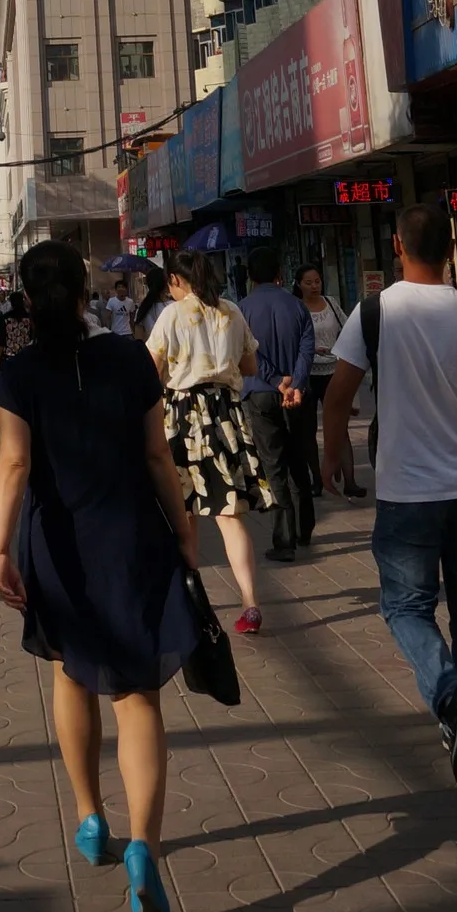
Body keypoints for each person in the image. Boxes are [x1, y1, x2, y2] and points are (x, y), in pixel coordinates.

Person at [0, 241, 200, 912]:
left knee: (69, 675)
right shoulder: (129, 356)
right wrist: (184, 526)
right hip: (131, 534)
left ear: (27, 300)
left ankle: (89, 818)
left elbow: (15, 464)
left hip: (56, 544)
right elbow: (154, 452)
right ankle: (143, 846)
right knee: (137, 697)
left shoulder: (18, 372)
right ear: (87, 296)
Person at [322, 203, 457, 788]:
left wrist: (333, 455)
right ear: (451, 250)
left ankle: (450, 695)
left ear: (397, 246)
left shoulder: (373, 312)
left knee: (405, 607)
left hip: (405, 494)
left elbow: (338, 396)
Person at [145, 251, 273, 637]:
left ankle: (191, 601)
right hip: (226, 416)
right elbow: (250, 366)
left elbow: (151, 369)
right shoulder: (231, 310)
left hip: (184, 415)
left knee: (183, 513)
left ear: (177, 281)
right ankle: (250, 603)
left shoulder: (173, 314)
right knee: (229, 516)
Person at [237, 252, 314, 565]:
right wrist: (294, 383)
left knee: (273, 465)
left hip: (260, 394)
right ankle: (305, 528)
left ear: (251, 277)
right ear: (280, 273)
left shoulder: (241, 310)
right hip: (295, 396)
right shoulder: (296, 305)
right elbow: (307, 348)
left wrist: (274, 379)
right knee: (299, 458)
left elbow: (246, 353)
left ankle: (284, 541)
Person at [290, 262, 363, 523]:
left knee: (340, 426)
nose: (314, 285)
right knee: (308, 430)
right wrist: (309, 351)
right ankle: (316, 480)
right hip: (308, 374)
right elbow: (293, 337)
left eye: (317, 281)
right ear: (299, 284)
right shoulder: (296, 308)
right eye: (308, 282)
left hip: (334, 371)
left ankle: (350, 480)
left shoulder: (331, 303)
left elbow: (349, 329)